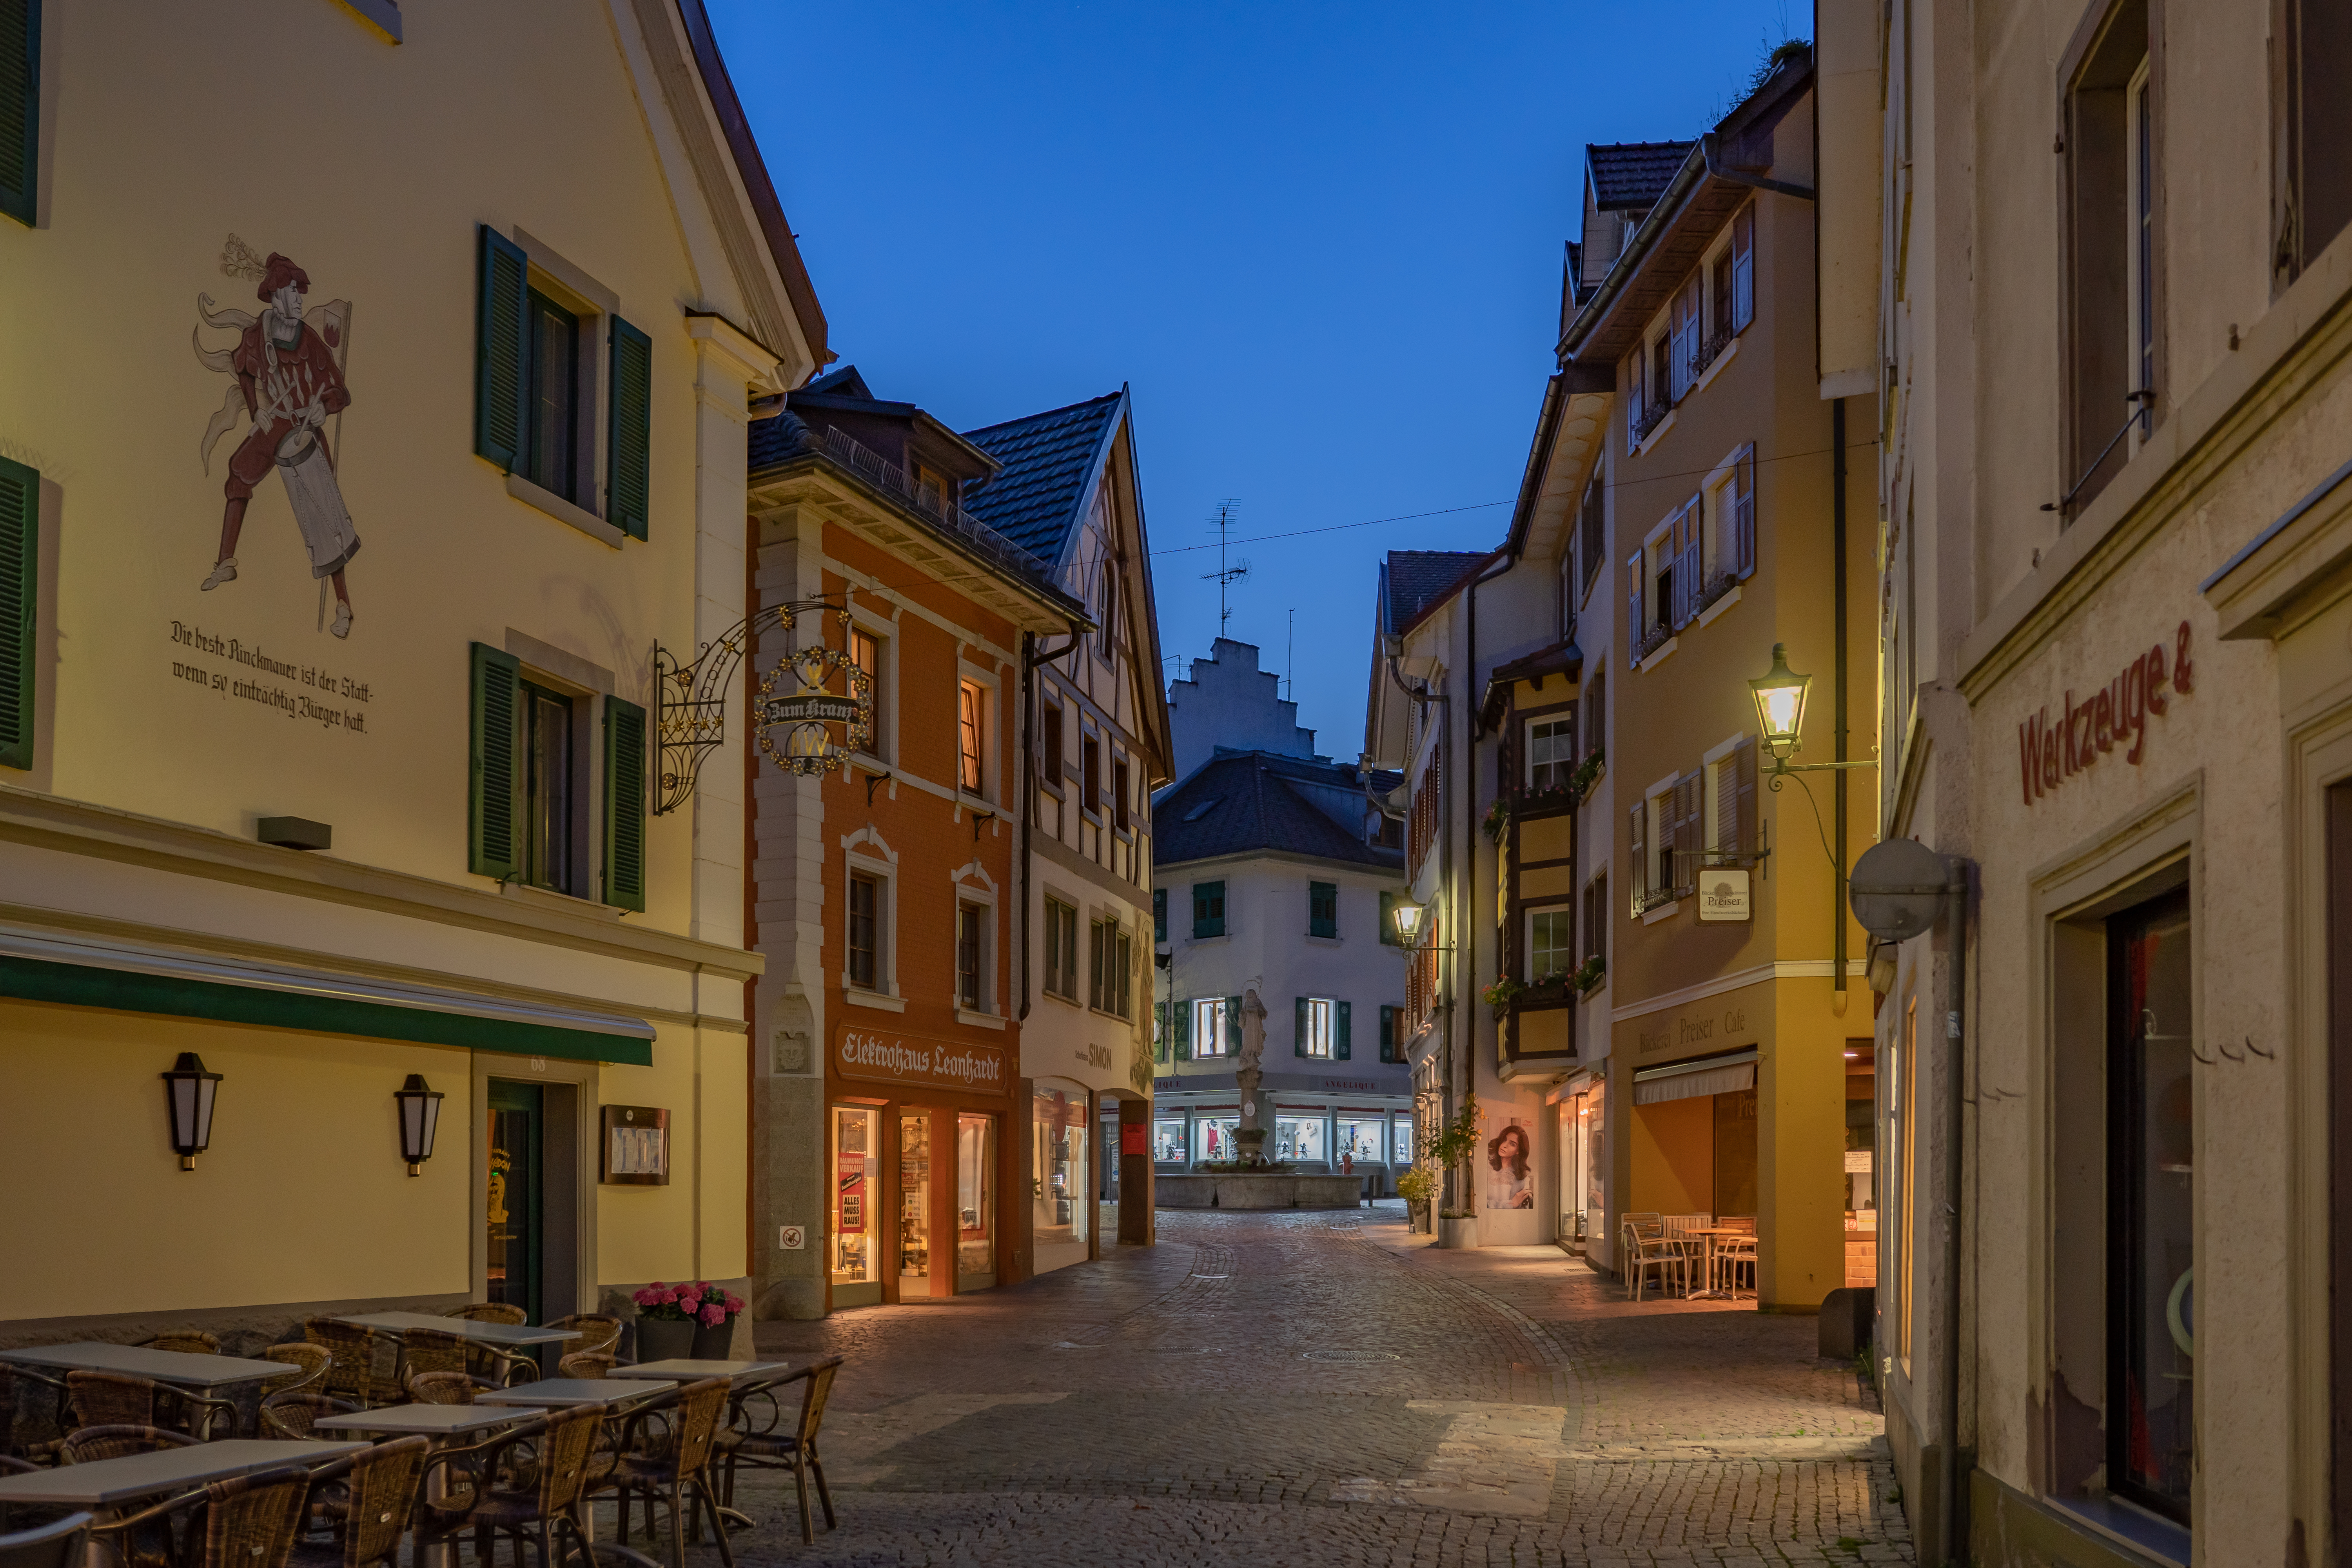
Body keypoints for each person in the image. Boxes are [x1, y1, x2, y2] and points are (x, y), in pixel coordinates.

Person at [200, 253, 361, 637]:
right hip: (276, 421)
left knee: (325, 514)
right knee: (239, 471)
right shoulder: (257, 336)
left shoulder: (310, 340)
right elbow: (243, 369)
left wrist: (324, 408)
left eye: (298, 291)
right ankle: (225, 562)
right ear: (275, 295)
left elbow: (341, 392)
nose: (299, 298)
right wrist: (257, 411)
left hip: (306, 423)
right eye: (292, 291)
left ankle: (343, 605)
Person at [1486, 1123, 1535, 1210]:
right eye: (1504, 1140)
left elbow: (1524, 1212)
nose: (1504, 1146)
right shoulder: (1487, 1169)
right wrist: (1511, 1204)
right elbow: (1481, 1204)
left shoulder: (1522, 1178)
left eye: (1512, 1144)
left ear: (1518, 1151)